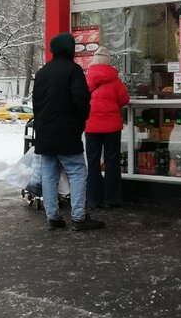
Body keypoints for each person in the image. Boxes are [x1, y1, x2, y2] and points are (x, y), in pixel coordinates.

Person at [32, 32, 105, 231]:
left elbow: (36, 104)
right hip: (66, 132)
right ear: (70, 49)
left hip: (45, 133)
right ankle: (79, 218)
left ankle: (53, 216)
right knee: (78, 171)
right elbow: (81, 101)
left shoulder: (42, 72)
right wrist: (80, 121)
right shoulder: (73, 71)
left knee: (49, 175)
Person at [85, 46, 130, 210]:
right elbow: (125, 99)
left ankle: (93, 199)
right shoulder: (115, 80)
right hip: (111, 127)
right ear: (108, 62)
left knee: (93, 162)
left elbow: (81, 97)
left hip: (91, 127)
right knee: (112, 162)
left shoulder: (87, 79)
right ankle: (112, 198)